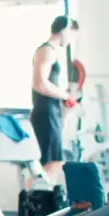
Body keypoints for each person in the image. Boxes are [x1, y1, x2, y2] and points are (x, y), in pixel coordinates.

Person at [30, 16, 79, 184]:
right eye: (72, 35)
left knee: (52, 163)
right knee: (50, 163)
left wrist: (65, 99)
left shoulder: (53, 51)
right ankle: (41, 198)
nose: (71, 41)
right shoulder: (47, 50)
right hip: (46, 114)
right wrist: (66, 96)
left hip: (52, 112)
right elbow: (39, 84)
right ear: (65, 30)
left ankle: (43, 197)